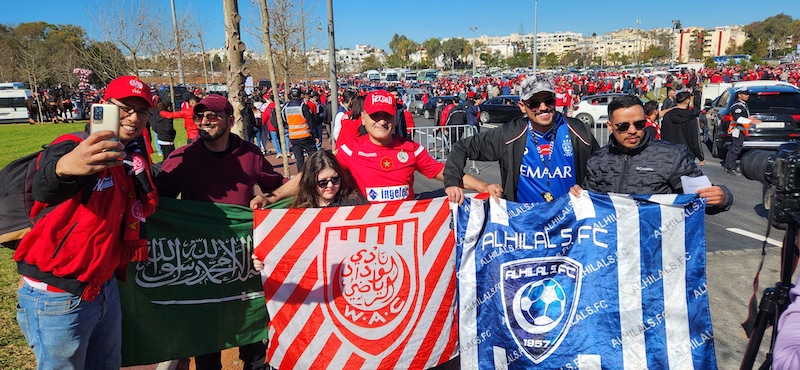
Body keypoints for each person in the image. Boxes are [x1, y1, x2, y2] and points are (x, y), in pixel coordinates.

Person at [14, 75, 158, 370]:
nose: (133, 118)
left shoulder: (130, 158)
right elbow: (46, 186)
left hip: (104, 287)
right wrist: (65, 168)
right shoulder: (73, 145)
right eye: (125, 108)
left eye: (142, 111)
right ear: (103, 106)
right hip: (58, 296)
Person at [155, 94, 285, 370]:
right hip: (200, 265)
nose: (205, 121)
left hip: (244, 262)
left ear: (230, 120)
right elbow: (157, 203)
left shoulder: (250, 154)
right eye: (200, 116)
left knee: (252, 337)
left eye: (212, 115)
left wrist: (271, 197)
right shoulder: (183, 158)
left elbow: (277, 187)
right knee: (207, 342)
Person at [254, 90, 487, 208]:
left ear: (395, 118)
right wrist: (272, 197)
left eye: (387, 115)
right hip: (364, 232)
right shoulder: (350, 150)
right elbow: (311, 176)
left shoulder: (411, 149)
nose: (382, 121)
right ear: (364, 118)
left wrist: (483, 186)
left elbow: (445, 173)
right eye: (375, 116)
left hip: (405, 230)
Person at [444, 75, 599, 203]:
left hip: (569, 221)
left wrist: (586, 189)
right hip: (524, 223)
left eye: (548, 101)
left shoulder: (578, 131)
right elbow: (462, 147)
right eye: (534, 103)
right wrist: (452, 182)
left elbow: (601, 170)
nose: (543, 107)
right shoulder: (510, 133)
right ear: (522, 106)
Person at [574, 95, 732, 214]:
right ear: (610, 126)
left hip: (656, 245)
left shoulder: (672, 156)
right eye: (623, 126)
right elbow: (588, 206)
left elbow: (703, 196)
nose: (632, 130)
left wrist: (722, 197)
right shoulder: (597, 160)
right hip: (612, 244)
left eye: (639, 124)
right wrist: (576, 196)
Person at [722, 86, 761, 175]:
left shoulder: (742, 105)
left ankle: (728, 166)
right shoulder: (737, 106)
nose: (747, 96)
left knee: (734, 148)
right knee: (735, 149)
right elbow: (738, 119)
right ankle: (730, 168)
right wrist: (751, 121)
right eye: (745, 94)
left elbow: (742, 117)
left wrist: (749, 118)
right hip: (737, 130)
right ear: (739, 95)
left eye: (747, 94)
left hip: (740, 130)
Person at [660, 91, 705, 165]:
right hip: (686, 154)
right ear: (688, 101)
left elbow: (663, 134)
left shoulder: (667, 115)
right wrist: (701, 157)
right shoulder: (691, 117)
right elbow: (695, 139)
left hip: (669, 153)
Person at [281, 88, 319, 171]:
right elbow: (311, 122)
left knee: (299, 160)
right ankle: (314, 173)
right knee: (314, 156)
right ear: (300, 95)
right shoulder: (303, 106)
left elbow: (283, 120)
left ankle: (301, 175)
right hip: (305, 136)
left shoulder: (286, 107)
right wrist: (315, 135)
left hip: (293, 137)